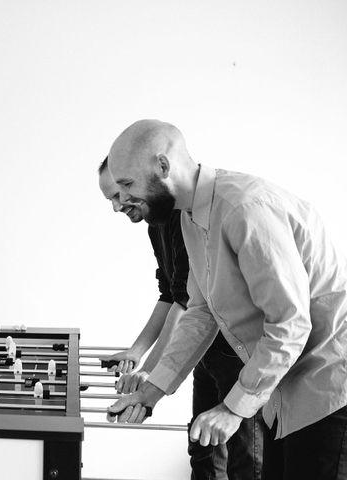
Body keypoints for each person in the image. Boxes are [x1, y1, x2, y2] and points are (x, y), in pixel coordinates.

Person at [106, 119, 347, 479]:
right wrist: (152, 391)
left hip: (328, 391)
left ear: (163, 166)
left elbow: (290, 322)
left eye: (127, 184)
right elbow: (201, 311)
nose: (120, 201)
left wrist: (233, 409)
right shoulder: (190, 218)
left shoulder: (244, 208)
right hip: (284, 392)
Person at [98, 157, 264, 479]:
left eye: (121, 192)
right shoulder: (161, 223)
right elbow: (178, 296)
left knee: (244, 458)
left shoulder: (205, 213)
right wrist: (138, 356)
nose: (118, 206)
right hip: (202, 350)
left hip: (239, 353)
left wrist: (150, 372)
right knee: (203, 449)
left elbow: (186, 304)